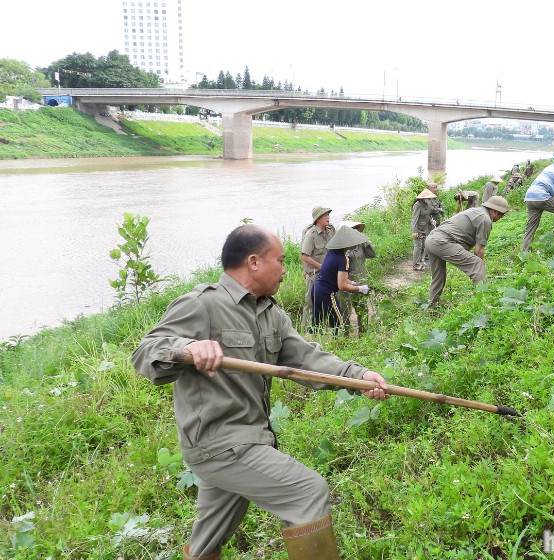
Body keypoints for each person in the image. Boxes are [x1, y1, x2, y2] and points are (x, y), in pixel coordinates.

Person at [131, 224, 389, 560]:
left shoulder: (271, 313)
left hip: (249, 438)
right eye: (280, 260)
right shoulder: (202, 305)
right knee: (309, 493)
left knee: (207, 543)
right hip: (220, 444)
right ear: (253, 262)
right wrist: (188, 347)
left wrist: (359, 376)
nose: (285, 269)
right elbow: (145, 352)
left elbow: (308, 360)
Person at [425, 195, 510, 307]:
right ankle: (485, 302)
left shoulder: (475, 210)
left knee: (438, 277)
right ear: (495, 211)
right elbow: (479, 252)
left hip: (431, 239)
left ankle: (431, 306)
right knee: (476, 263)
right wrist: (479, 273)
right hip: (442, 241)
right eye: (502, 215)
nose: (501, 218)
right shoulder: (485, 219)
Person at [311, 225, 372, 334]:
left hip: (316, 289)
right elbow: (342, 286)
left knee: (317, 324)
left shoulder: (332, 252)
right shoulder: (343, 259)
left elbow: (338, 276)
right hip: (327, 293)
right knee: (339, 326)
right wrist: (360, 288)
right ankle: (339, 347)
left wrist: (352, 283)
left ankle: (314, 344)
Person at [337, 220, 376, 335]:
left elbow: (372, 254)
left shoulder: (360, 245)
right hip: (346, 283)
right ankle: (345, 336)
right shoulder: (341, 248)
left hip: (360, 282)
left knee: (362, 310)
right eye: (352, 230)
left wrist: (366, 242)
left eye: (356, 230)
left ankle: (363, 334)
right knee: (345, 312)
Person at [301, 206, 335, 322]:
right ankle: (308, 331)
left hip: (329, 274)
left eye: (328, 214)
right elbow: (305, 256)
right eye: (325, 215)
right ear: (318, 218)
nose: (328, 217)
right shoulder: (310, 235)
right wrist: (321, 267)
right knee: (310, 303)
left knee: (330, 300)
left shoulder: (331, 231)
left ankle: (324, 327)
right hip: (315, 275)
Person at [411, 187, 438, 271]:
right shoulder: (417, 205)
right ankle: (415, 265)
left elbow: (427, 215)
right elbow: (414, 219)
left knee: (423, 246)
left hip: (425, 228)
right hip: (418, 229)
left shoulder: (426, 204)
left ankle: (419, 262)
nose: (428, 198)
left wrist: (431, 221)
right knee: (418, 247)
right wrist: (414, 231)